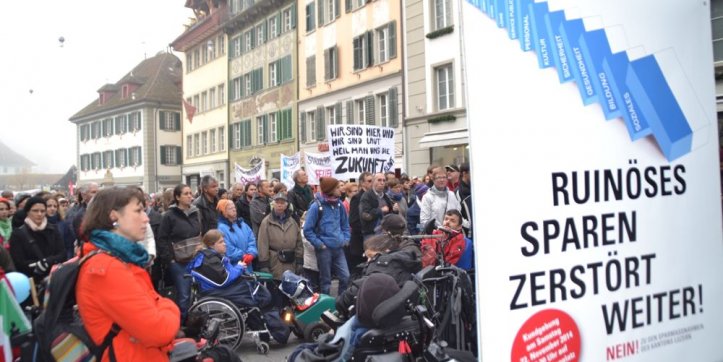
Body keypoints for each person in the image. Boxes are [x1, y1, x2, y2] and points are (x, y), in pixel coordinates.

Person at [76, 187, 180, 361]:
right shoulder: (107, 268)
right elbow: (159, 331)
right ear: (113, 216)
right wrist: (170, 306)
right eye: (138, 211)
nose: (146, 218)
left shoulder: (122, 258)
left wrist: (159, 309)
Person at [335, 231, 421, 316]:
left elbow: (352, 294)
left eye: (372, 257)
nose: (369, 261)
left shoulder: (382, 267)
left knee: (343, 330)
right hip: (396, 312)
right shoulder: (403, 261)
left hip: (381, 315)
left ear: (386, 251)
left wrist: (339, 304)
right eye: (367, 257)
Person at [157, 184, 202, 322]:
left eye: (190, 193)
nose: (190, 196)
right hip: (178, 261)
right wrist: (169, 259)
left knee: (197, 293)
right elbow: (162, 239)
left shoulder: (196, 212)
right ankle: (180, 325)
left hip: (195, 257)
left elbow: (200, 232)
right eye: (186, 194)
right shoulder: (169, 216)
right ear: (177, 197)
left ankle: (194, 323)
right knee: (184, 294)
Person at [303, 177, 351, 295]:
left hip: (339, 248)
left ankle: (341, 304)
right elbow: (307, 230)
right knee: (326, 282)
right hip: (324, 250)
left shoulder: (339, 205)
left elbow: (345, 225)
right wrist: (320, 244)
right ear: (330, 189)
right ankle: (326, 308)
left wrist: (345, 239)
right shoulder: (316, 207)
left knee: (346, 277)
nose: (341, 189)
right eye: (337, 187)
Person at [8, 196, 66, 282]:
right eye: (35, 211)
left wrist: (49, 261)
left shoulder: (53, 229)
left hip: (54, 279)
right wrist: (37, 266)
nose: (39, 214)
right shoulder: (18, 234)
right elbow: (18, 262)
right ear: (27, 212)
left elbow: (62, 254)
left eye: (42, 211)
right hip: (31, 281)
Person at [256, 192, 303, 280]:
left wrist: (299, 261)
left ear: (286, 206)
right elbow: (262, 244)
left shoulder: (292, 222)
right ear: (273, 204)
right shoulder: (266, 222)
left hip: (291, 263)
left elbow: (299, 243)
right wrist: (264, 264)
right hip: (274, 262)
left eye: (282, 203)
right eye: (277, 202)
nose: (279, 205)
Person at [216, 199, 257, 266]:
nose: (234, 210)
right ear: (223, 212)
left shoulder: (242, 224)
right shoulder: (221, 228)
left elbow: (251, 239)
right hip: (233, 266)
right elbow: (227, 247)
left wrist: (251, 253)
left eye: (234, 207)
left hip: (248, 264)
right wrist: (243, 256)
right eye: (230, 208)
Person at [347, 172, 372, 275]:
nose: (372, 183)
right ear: (362, 183)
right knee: (358, 275)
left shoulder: (376, 197)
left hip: (373, 244)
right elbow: (353, 221)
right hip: (360, 244)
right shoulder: (357, 198)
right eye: (369, 181)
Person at [359, 173, 397, 240]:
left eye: (384, 180)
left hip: (386, 233)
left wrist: (395, 210)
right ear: (373, 181)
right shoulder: (366, 196)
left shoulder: (386, 197)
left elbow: (390, 215)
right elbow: (365, 216)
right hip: (371, 234)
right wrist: (380, 210)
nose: (382, 183)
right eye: (379, 180)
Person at [456, 162, 473, 238]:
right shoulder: (458, 192)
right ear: (464, 173)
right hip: (467, 234)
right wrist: (469, 226)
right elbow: (457, 213)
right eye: (471, 172)